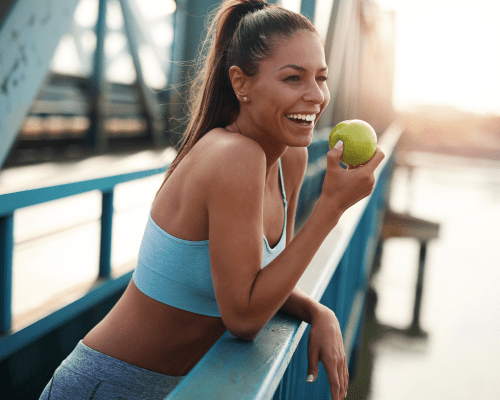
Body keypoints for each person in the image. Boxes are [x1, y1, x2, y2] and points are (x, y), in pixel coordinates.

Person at [40, 0, 384, 399]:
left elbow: (260, 282)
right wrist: (329, 209)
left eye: (320, 78)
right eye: (293, 79)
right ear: (241, 84)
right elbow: (243, 316)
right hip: (109, 386)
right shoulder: (233, 156)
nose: (316, 95)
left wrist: (315, 311)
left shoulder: (291, 158)